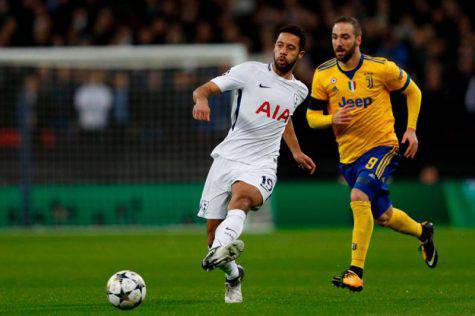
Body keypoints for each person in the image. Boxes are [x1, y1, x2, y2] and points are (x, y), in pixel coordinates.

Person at [306, 16, 438, 292]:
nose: (338, 43)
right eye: (334, 37)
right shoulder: (323, 74)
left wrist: (411, 130)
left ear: (358, 40)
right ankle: (423, 232)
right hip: (349, 158)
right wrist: (332, 119)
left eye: (344, 37)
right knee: (384, 217)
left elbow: (414, 91)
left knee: (358, 195)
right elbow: (311, 117)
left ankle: (355, 271)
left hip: (383, 147)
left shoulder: (381, 68)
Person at [192, 25, 316, 303]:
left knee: (243, 198)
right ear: (274, 46)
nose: (283, 51)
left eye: (290, 48)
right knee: (212, 237)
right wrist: (201, 99)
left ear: (300, 54)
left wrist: (295, 151)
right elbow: (204, 89)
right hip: (227, 158)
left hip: (261, 164)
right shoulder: (248, 72)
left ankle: (224, 248)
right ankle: (233, 274)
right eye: (280, 45)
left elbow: (284, 119)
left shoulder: (299, 90)